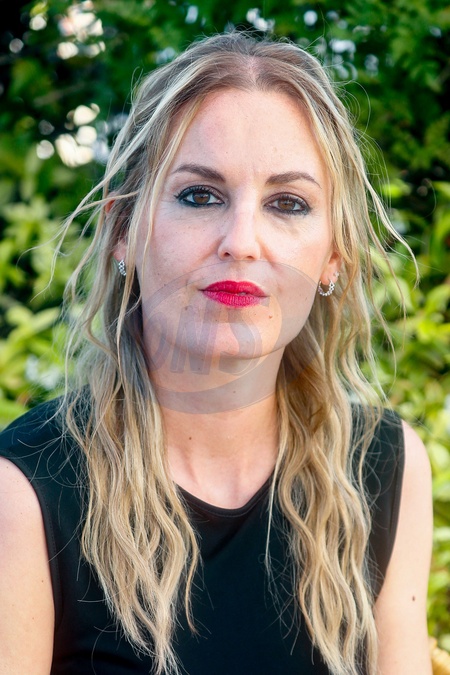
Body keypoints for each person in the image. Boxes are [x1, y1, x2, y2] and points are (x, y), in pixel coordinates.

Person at [0, 31, 432, 675]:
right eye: (199, 195)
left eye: (288, 204)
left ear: (333, 257)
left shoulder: (384, 467)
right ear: (124, 230)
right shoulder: (24, 490)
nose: (242, 241)